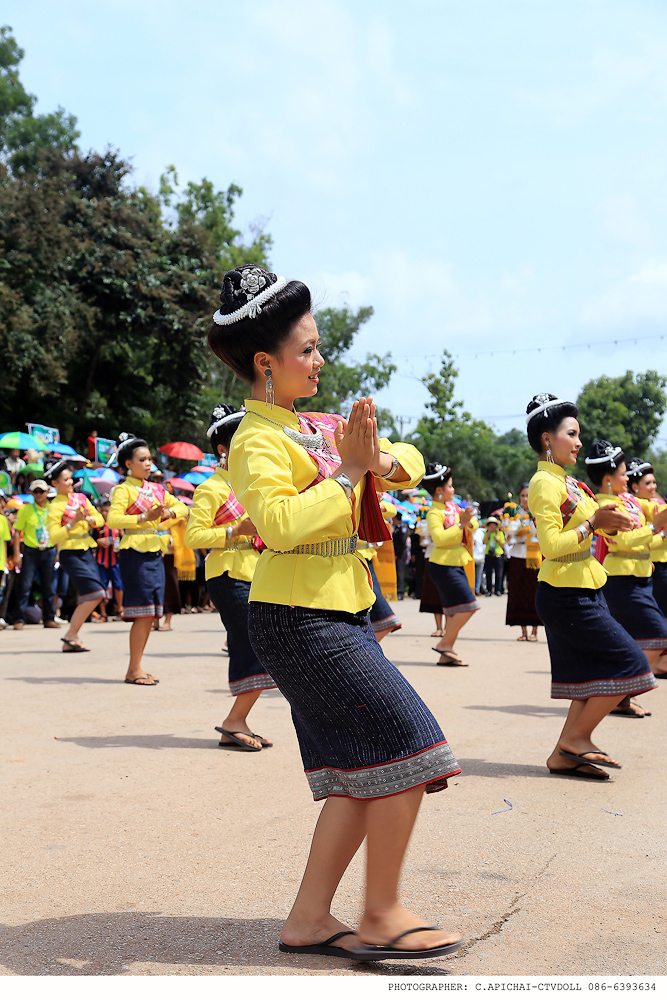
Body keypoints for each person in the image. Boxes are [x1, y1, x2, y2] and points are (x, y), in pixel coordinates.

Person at [211, 264, 462, 961]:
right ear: (266, 363)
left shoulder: (315, 427)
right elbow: (279, 523)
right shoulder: (256, 439)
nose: (320, 360)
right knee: (410, 745)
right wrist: (350, 472)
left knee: (359, 770)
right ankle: (380, 914)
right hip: (297, 615)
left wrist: (375, 457)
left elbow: (407, 457)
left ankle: (309, 920)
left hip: (338, 609)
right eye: (308, 349)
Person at [526, 394, 657, 780]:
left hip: (585, 586)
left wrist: (611, 524)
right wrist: (593, 525)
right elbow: (551, 546)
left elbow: (593, 527)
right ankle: (577, 738)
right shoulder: (544, 483)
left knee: (587, 679)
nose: (578, 442)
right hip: (565, 593)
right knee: (632, 662)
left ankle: (563, 754)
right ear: (547, 439)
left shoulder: (569, 482)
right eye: (571, 434)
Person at [185, 404, 277, 750]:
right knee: (256, 644)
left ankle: (238, 721)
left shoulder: (252, 485)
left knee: (257, 643)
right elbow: (194, 536)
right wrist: (235, 531)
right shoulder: (211, 488)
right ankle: (233, 721)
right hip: (226, 574)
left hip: (257, 573)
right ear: (223, 449)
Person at [585, 440, 667, 718]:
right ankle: (620, 690)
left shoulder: (630, 500)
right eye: (623, 474)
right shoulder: (605, 505)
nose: (627, 478)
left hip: (641, 577)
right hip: (622, 581)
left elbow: (655, 510)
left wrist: (656, 523)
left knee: (633, 639)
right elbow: (624, 542)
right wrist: (655, 527)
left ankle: (620, 696)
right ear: (608, 480)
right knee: (658, 634)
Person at [107, 433, 189, 685]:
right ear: (128, 464)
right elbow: (113, 519)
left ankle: (136, 667)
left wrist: (168, 512)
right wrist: (145, 517)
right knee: (143, 613)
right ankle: (134, 669)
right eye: (142, 459)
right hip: (135, 552)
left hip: (155, 552)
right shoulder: (123, 489)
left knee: (152, 612)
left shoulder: (157, 489)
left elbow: (183, 508)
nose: (148, 463)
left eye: (149, 459)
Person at [45, 459, 106, 651]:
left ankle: (72, 638)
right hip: (69, 552)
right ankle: (70, 635)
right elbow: (54, 536)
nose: (70, 482)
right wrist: (73, 521)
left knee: (91, 594)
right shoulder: (54, 506)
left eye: (70, 478)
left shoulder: (81, 498)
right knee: (96, 593)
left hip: (86, 549)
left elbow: (100, 519)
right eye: (65, 480)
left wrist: (88, 519)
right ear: (55, 483)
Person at [422, 463, 479, 667]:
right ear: (439, 490)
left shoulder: (453, 507)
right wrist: (461, 524)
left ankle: (446, 654)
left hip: (456, 562)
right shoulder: (434, 513)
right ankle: (445, 644)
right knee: (469, 606)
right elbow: (439, 539)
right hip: (442, 565)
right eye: (450, 486)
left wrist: (467, 520)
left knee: (453, 611)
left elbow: (474, 525)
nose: (453, 490)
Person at [626, 457, 667, 680]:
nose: (653, 486)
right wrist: (663, 534)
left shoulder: (655, 503)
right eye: (647, 483)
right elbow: (649, 541)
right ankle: (653, 665)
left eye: (653, 482)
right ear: (635, 486)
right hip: (655, 567)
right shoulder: (640, 506)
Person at [11, 479, 59, 630]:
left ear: (47, 492)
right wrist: (17, 553)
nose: (39, 494)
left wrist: (58, 552)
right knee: (25, 585)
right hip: (31, 551)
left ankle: (49, 618)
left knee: (49, 586)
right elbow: (17, 532)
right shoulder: (25, 510)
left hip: (49, 550)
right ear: (31, 493)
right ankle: (19, 619)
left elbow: (58, 531)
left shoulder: (53, 509)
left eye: (41, 491)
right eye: (36, 491)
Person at [356, 495, 401, 641]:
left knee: (377, 618)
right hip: (354, 559)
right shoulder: (355, 495)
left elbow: (392, 510)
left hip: (367, 559)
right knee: (383, 617)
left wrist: (376, 503)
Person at [503, 485, 542, 641]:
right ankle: (523, 630)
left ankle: (534, 631)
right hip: (518, 555)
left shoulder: (539, 513)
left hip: (534, 556)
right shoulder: (514, 513)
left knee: (534, 592)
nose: (525, 499)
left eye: (528, 495)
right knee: (518, 592)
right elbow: (509, 532)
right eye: (523, 496)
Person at [91, 499, 123, 622]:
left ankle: (120, 609)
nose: (105, 513)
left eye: (107, 511)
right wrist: (97, 541)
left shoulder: (118, 525)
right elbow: (91, 541)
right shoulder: (97, 527)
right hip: (101, 561)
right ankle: (103, 614)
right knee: (102, 586)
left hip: (115, 561)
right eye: (103, 511)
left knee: (118, 585)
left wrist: (122, 534)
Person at [482, 516, 505, 596]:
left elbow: (503, 545)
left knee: (498, 574)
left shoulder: (500, 533)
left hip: (497, 555)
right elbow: (484, 542)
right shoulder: (486, 533)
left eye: (493, 524)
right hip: (489, 555)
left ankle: (498, 590)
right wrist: (488, 533)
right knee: (488, 573)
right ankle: (489, 590)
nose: (492, 526)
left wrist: (498, 540)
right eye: (490, 524)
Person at [0, 490, 11, 627]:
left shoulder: (2, 520)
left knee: (1, 591)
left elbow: (4, 542)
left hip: (0, 562)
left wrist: (5, 562)